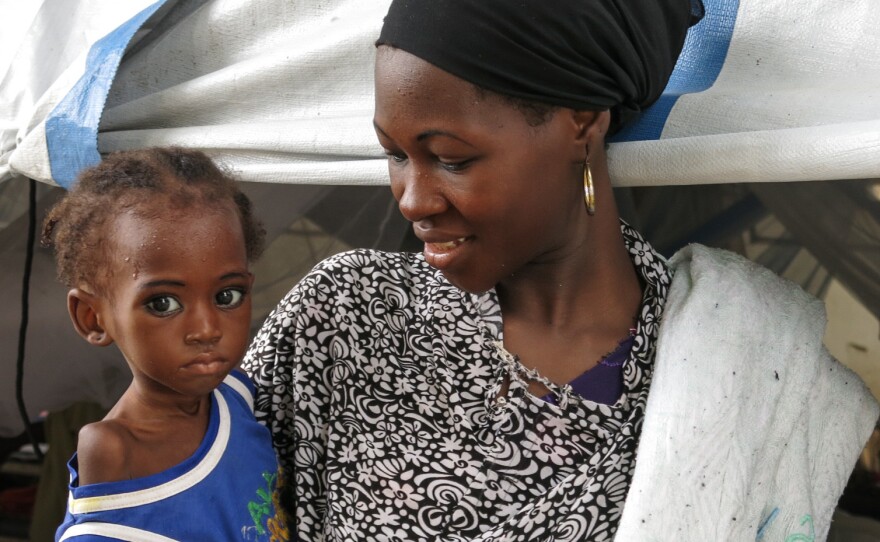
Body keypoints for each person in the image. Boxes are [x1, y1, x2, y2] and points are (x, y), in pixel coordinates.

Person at [243, 0, 879, 540]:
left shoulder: (731, 376)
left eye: (451, 159)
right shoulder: (346, 317)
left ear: (581, 123)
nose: (412, 200)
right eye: (395, 155)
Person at [43, 148, 288, 540]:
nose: (206, 329)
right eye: (163, 304)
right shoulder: (113, 451)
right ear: (93, 317)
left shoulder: (240, 398)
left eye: (227, 296)